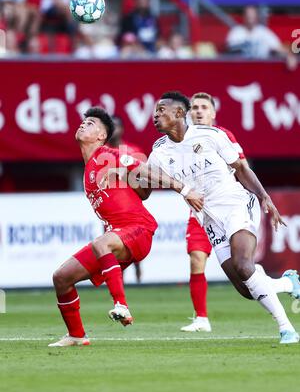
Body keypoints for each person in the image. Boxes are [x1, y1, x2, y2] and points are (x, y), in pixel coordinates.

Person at [143, 91, 300, 344]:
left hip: (237, 203)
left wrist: (263, 196)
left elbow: (240, 168)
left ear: (180, 113)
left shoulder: (212, 135)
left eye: (162, 110)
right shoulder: (159, 151)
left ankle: (287, 329)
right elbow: (146, 176)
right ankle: (287, 284)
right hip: (209, 218)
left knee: (244, 264)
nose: (156, 115)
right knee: (247, 289)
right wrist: (177, 187)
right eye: (156, 111)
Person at [49, 107, 203, 347]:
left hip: (139, 229)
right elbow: (142, 190)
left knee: (102, 242)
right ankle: (76, 335)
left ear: (101, 135)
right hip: (119, 235)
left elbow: (146, 172)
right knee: (61, 277)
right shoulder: (90, 167)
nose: (83, 125)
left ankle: (121, 304)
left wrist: (183, 189)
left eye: (90, 123)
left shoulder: (108, 155)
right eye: (83, 121)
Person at [181, 92, 248, 333]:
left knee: (244, 274)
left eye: (204, 107)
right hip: (199, 213)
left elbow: (241, 166)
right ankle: (201, 319)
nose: (198, 111)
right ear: (188, 113)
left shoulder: (222, 135)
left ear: (213, 113)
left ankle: (280, 287)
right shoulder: (181, 140)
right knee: (196, 258)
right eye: (195, 108)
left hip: (228, 210)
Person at [107, 115, 146, 283]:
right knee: (112, 251)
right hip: (111, 208)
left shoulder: (133, 151)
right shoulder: (101, 152)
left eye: (117, 126)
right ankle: (118, 287)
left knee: (134, 250)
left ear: (122, 129)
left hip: (131, 205)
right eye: (111, 126)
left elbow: (144, 178)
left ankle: (139, 283)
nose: (114, 129)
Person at [226, 5, 297, 70]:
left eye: (252, 16)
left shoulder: (263, 32)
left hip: (262, 70)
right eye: (248, 16)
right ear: (244, 17)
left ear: (256, 17)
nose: (250, 19)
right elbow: (228, 54)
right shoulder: (236, 32)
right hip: (240, 70)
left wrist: (289, 56)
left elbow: (278, 47)